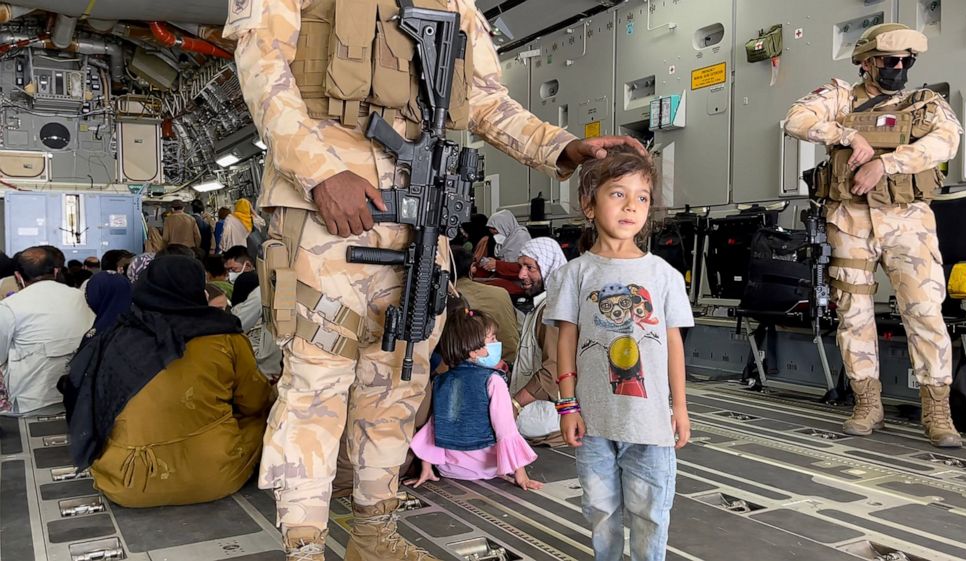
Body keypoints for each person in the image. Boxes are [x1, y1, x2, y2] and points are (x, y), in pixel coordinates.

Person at [223, 0, 645, 556]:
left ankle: (374, 535)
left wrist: (560, 146)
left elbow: (488, 99)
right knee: (315, 387)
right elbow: (264, 70)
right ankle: (304, 548)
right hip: (323, 219)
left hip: (419, 219)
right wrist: (321, 172)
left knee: (396, 384)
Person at [784, 23, 963, 448]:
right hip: (850, 220)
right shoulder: (841, 98)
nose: (898, 68)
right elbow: (795, 119)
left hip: (909, 222)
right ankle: (867, 404)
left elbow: (948, 141)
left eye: (907, 62)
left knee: (924, 311)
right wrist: (848, 135)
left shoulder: (926, 103)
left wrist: (887, 164)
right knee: (854, 313)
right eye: (888, 61)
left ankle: (937, 410)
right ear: (866, 62)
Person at [545, 146, 693, 561]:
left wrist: (679, 408)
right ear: (588, 205)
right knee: (600, 509)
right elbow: (566, 342)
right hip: (593, 421)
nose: (631, 206)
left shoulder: (663, 276)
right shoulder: (574, 274)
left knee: (650, 512)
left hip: (650, 423)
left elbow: (673, 346)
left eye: (642, 197)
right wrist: (567, 405)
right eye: (617, 194)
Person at [65, 256, 273, 507]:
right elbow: (256, 401)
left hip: (126, 481)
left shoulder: (117, 336)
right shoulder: (225, 336)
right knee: (265, 416)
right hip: (213, 474)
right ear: (199, 288)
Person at [405, 299, 540, 492]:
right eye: (492, 339)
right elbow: (506, 429)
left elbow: (435, 425)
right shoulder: (494, 381)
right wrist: (521, 475)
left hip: (449, 467)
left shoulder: (441, 381)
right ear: (474, 351)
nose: (497, 343)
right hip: (485, 468)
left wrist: (426, 468)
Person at [0, 247, 94, 415]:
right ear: (57, 271)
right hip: (78, 397)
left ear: (18, 277)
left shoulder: (10, 307)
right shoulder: (81, 297)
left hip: (31, 402)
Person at [509, 237, 568, 444]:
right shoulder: (544, 306)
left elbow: (553, 372)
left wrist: (514, 405)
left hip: (549, 417)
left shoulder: (551, 311)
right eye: (520, 267)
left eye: (530, 268)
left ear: (548, 267)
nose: (521, 274)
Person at [452, 247, 519, 366]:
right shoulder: (501, 292)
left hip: (473, 366)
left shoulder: (452, 299)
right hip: (512, 361)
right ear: (472, 268)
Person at [474, 210, 530, 296]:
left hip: (521, 282)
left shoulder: (521, 238)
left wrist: (497, 265)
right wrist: (492, 263)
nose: (495, 236)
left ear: (504, 226)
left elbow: (524, 267)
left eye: (497, 232)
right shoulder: (506, 240)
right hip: (507, 277)